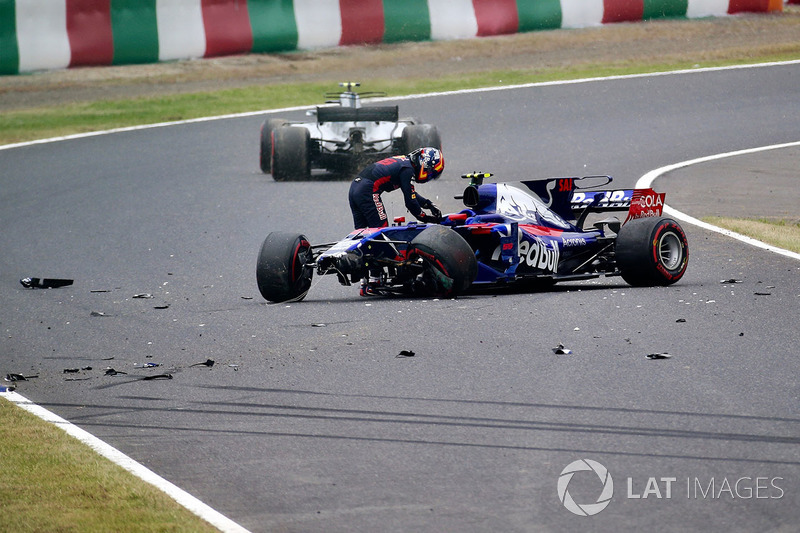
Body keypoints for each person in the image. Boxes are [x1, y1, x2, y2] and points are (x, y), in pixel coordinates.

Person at [348, 147, 445, 295]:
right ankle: (374, 280)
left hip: (355, 188)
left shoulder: (404, 163)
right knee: (380, 233)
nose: (429, 176)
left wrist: (428, 204)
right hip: (368, 190)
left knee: (362, 235)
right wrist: (428, 218)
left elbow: (410, 192)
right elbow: (411, 203)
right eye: (431, 173)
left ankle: (365, 281)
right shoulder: (408, 170)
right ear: (425, 164)